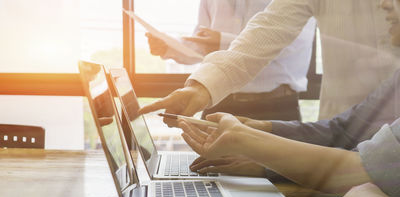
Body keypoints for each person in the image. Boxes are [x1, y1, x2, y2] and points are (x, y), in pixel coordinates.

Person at [176, 0, 400, 197]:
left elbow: (359, 171)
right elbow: (345, 132)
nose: (386, 4)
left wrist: (249, 141)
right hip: (340, 164)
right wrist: (262, 140)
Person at [139, 0, 399, 125]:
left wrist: (219, 41)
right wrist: (201, 88)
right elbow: (267, 31)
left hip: (280, 104)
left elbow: (289, 45)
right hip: (340, 129)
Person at [146, 0, 316, 120]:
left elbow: (290, 44)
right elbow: (203, 43)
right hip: (218, 102)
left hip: (274, 107)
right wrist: (169, 46)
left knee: (279, 171)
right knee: (204, 170)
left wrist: (222, 41)